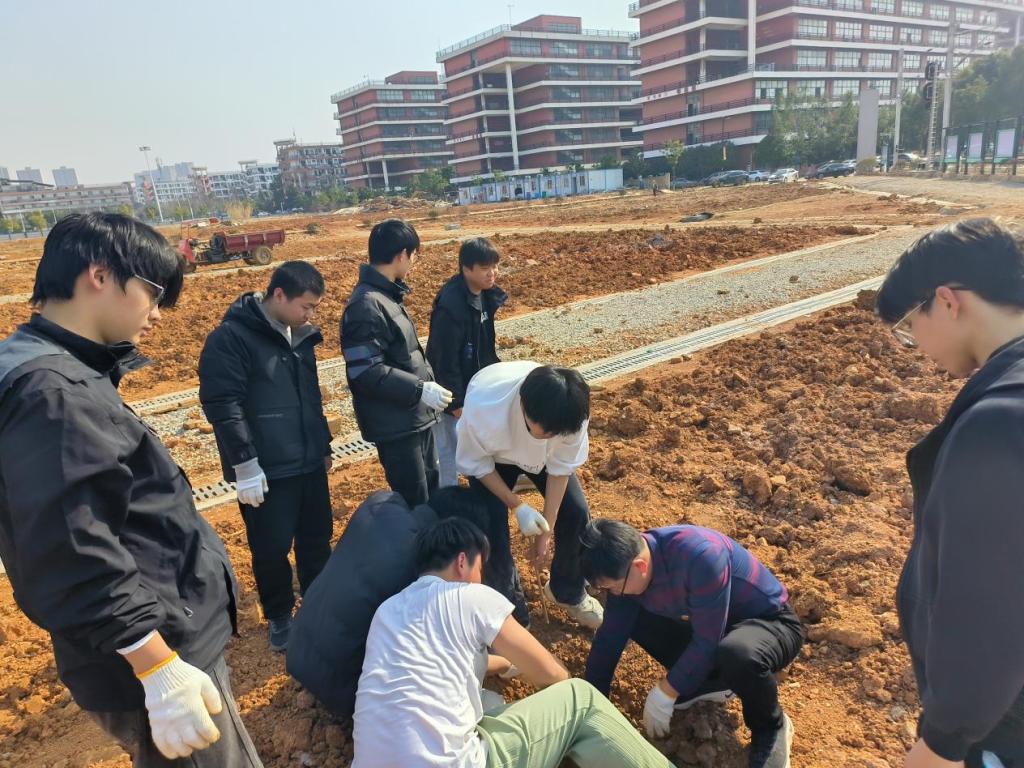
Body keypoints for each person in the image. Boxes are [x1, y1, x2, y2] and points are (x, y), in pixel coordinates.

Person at [0, 213, 261, 766]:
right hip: (158, 657)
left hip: (155, 641)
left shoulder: (55, 369)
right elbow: (73, 549)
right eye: (153, 293)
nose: (158, 313)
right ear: (99, 275)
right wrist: (157, 666)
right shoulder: (54, 393)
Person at [875, 217, 1024, 768]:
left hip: (1006, 725)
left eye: (909, 327)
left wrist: (942, 743)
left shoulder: (998, 422)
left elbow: (991, 603)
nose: (915, 346)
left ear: (946, 301)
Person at [351, 517, 674, 768]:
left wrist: (506, 663)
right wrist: (558, 687)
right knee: (581, 698)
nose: (481, 578)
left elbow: (441, 664)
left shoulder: (387, 612)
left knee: (490, 711)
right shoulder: (469, 596)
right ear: (462, 562)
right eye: (481, 568)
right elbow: (553, 676)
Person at [580, 519, 804, 768]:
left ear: (639, 566)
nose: (613, 594)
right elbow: (609, 638)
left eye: (612, 588)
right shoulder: (627, 571)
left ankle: (771, 727)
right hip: (717, 627)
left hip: (770, 625)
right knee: (631, 617)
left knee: (737, 654)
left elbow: (708, 640)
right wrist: (593, 707)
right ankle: (710, 683)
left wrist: (668, 689)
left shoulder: (701, 556)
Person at [287, 484, 519, 719]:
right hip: (346, 690)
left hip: (299, 648)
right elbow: (454, 660)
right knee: (484, 704)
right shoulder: (424, 575)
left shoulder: (379, 504)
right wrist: (502, 661)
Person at [198, 260, 333, 653]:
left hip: (308, 461)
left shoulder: (300, 335)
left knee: (316, 539)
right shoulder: (232, 339)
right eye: (306, 306)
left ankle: (318, 603)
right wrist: (245, 463)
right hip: (267, 470)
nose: (310, 315)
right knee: (270, 548)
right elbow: (223, 404)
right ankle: (279, 614)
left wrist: (322, 444)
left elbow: (311, 396)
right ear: (279, 295)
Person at [457, 360, 603, 629]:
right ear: (523, 405)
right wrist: (518, 506)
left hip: (545, 460)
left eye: (556, 434)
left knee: (576, 512)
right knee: (490, 528)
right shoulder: (484, 408)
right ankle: (509, 612)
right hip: (493, 459)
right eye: (544, 432)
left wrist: (547, 531)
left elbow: (560, 470)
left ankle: (566, 590)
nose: (550, 437)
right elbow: (477, 464)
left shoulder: (572, 411)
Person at [341, 218, 451, 506]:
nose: (414, 261)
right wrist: (419, 388)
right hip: (397, 425)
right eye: (414, 255)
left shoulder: (386, 296)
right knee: (415, 501)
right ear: (402, 254)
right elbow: (366, 371)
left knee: (430, 495)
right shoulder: (366, 305)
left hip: (413, 416)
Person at [426, 237, 507, 487]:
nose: (492, 273)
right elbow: (444, 359)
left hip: (477, 387)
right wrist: (456, 403)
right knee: (448, 449)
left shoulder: (485, 295)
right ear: (466, 269)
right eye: (485, 268)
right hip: (453, 393)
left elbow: (484, 347)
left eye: (495, 266)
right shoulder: (451, 306)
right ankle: (447, 498)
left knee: (480, 446)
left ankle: (484, 489)